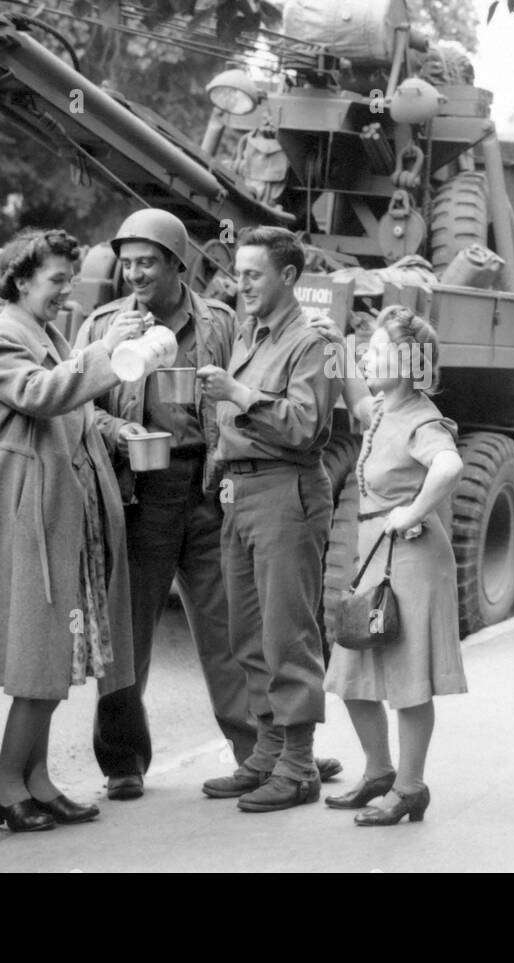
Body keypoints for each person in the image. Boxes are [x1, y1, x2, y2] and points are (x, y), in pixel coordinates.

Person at [0, 228, 141, 832]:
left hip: (66, 507)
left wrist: (115, 432)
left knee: (61, 650)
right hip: (32, 502)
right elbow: (39, 396)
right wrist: (107, 351)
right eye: (57, 280)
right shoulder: (1, 334)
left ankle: (36, 779)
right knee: (42, 650)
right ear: (23, 277)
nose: (66, 292)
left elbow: (75, 410)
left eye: (70, 280)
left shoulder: (51, 333)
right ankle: (4, 782)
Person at [77, 209, 258, 801]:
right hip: (138, 495)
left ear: (178, 265)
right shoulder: (104, 325)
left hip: (206, 490)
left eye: (147, 262)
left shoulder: (223, 325)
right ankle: (123, 762)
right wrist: (116, 432)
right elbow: (77, 404)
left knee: (229, 629)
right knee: (125, 636)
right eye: (127, 262)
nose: (133, 273)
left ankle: (255, 754)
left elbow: (249, 393)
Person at [197, 225, 342, 812]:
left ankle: (300, 765)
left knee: (289, 634)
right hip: (241, 493)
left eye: (253, 274)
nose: (242, 284)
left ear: (288, 277)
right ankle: (268, 751)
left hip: (287, 493)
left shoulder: (313, 342)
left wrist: (237, 393)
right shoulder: (250, 333)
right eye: (239, 273)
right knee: (248, 635)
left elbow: (306, 427)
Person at [323, 307, 467, 825]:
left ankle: (409, 789)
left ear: (409, 363)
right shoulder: (385, 407)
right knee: (351, 669)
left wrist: (413, 511)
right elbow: (359, 400)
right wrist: (337, 350)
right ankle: (379, 772)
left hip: (411, 558)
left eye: (378, 351)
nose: (368, 357)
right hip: (376, 555)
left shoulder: (422, 417)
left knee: (408, 681)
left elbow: (449, 464)